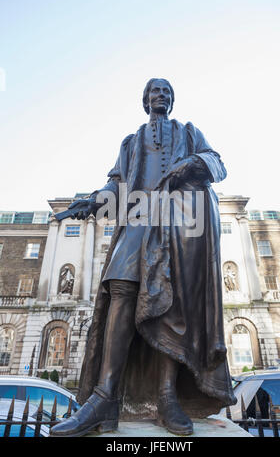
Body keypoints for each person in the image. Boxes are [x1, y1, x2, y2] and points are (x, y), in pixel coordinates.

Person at [50, 78, 237, 437]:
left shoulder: (189, 131)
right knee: (120, 285)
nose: (161, 95)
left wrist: (191, 164)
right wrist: (94, 200)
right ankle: (104, 397)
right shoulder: (132, 141)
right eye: (155, 90)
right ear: (145, 99)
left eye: (167, 91)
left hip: (181, 221)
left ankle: (166, 397)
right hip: (139, 216)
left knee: (170, 299)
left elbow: (217, 162)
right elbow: (116, 182)